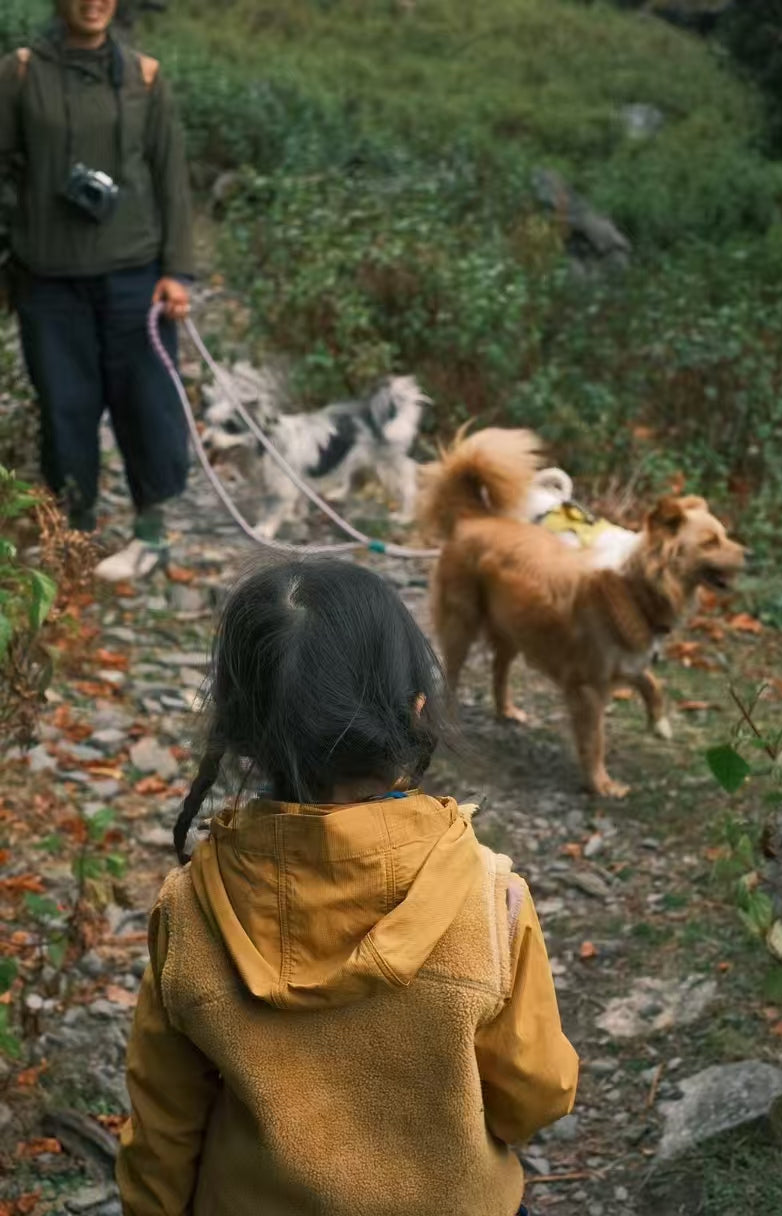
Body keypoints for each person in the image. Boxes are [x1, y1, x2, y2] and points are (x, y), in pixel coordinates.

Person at [116, 559, 579, 1216]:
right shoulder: (491, 900)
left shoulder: (189, 908)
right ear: (417, 710)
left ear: (244, 733)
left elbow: (163, 1129)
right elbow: (535, 1097)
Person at [0, 0, 193, 582]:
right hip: (48, 277)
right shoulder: (22, 72)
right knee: (65, 407)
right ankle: (73, 534)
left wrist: (177, 271)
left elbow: (170, 175)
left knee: (147, 404)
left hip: (134, 272)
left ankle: (151, 532)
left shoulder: (145, 75)